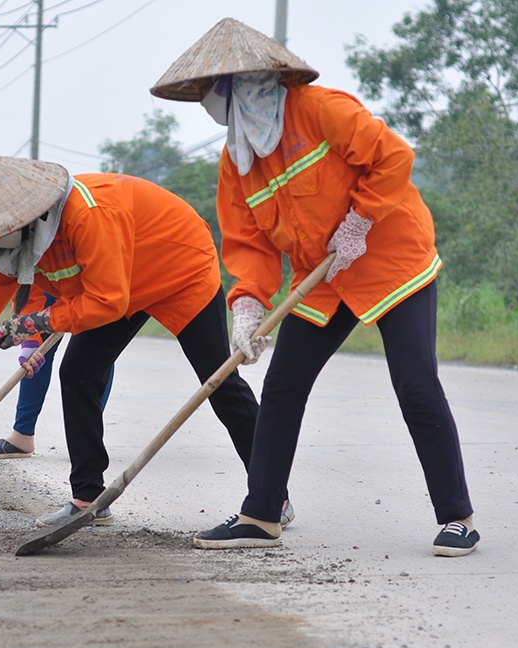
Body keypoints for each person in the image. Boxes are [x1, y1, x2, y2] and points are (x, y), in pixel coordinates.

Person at [150, 18, 478, 556]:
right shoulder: (237, 164)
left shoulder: (321, 109)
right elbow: (249, 245)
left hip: (391, 258)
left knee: (415, 384)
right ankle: (261, 515)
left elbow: (393, 157)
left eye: (222, 91)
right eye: (211, 96)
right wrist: (250, 308)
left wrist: (360, 221)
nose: (216, 105)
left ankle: (458, 517)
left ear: (253, 83)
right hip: (321, 279)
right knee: (282, 388)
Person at [0, 151, 278, 529]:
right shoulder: (5, 242)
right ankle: (88, 498)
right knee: (79, 372)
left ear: (23, 218)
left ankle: (271, 498)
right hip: (116, 283)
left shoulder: (86, 215)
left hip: (178, 267)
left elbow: (106, 302)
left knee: (219, 383)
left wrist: (37, 321)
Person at [0, 293, 115, 459]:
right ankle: (22, 434)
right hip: (55, 282)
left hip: (102, 287)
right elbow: (28, 292)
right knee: (38, 351)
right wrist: (30, 341)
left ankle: (87, 438)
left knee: (96, 351)